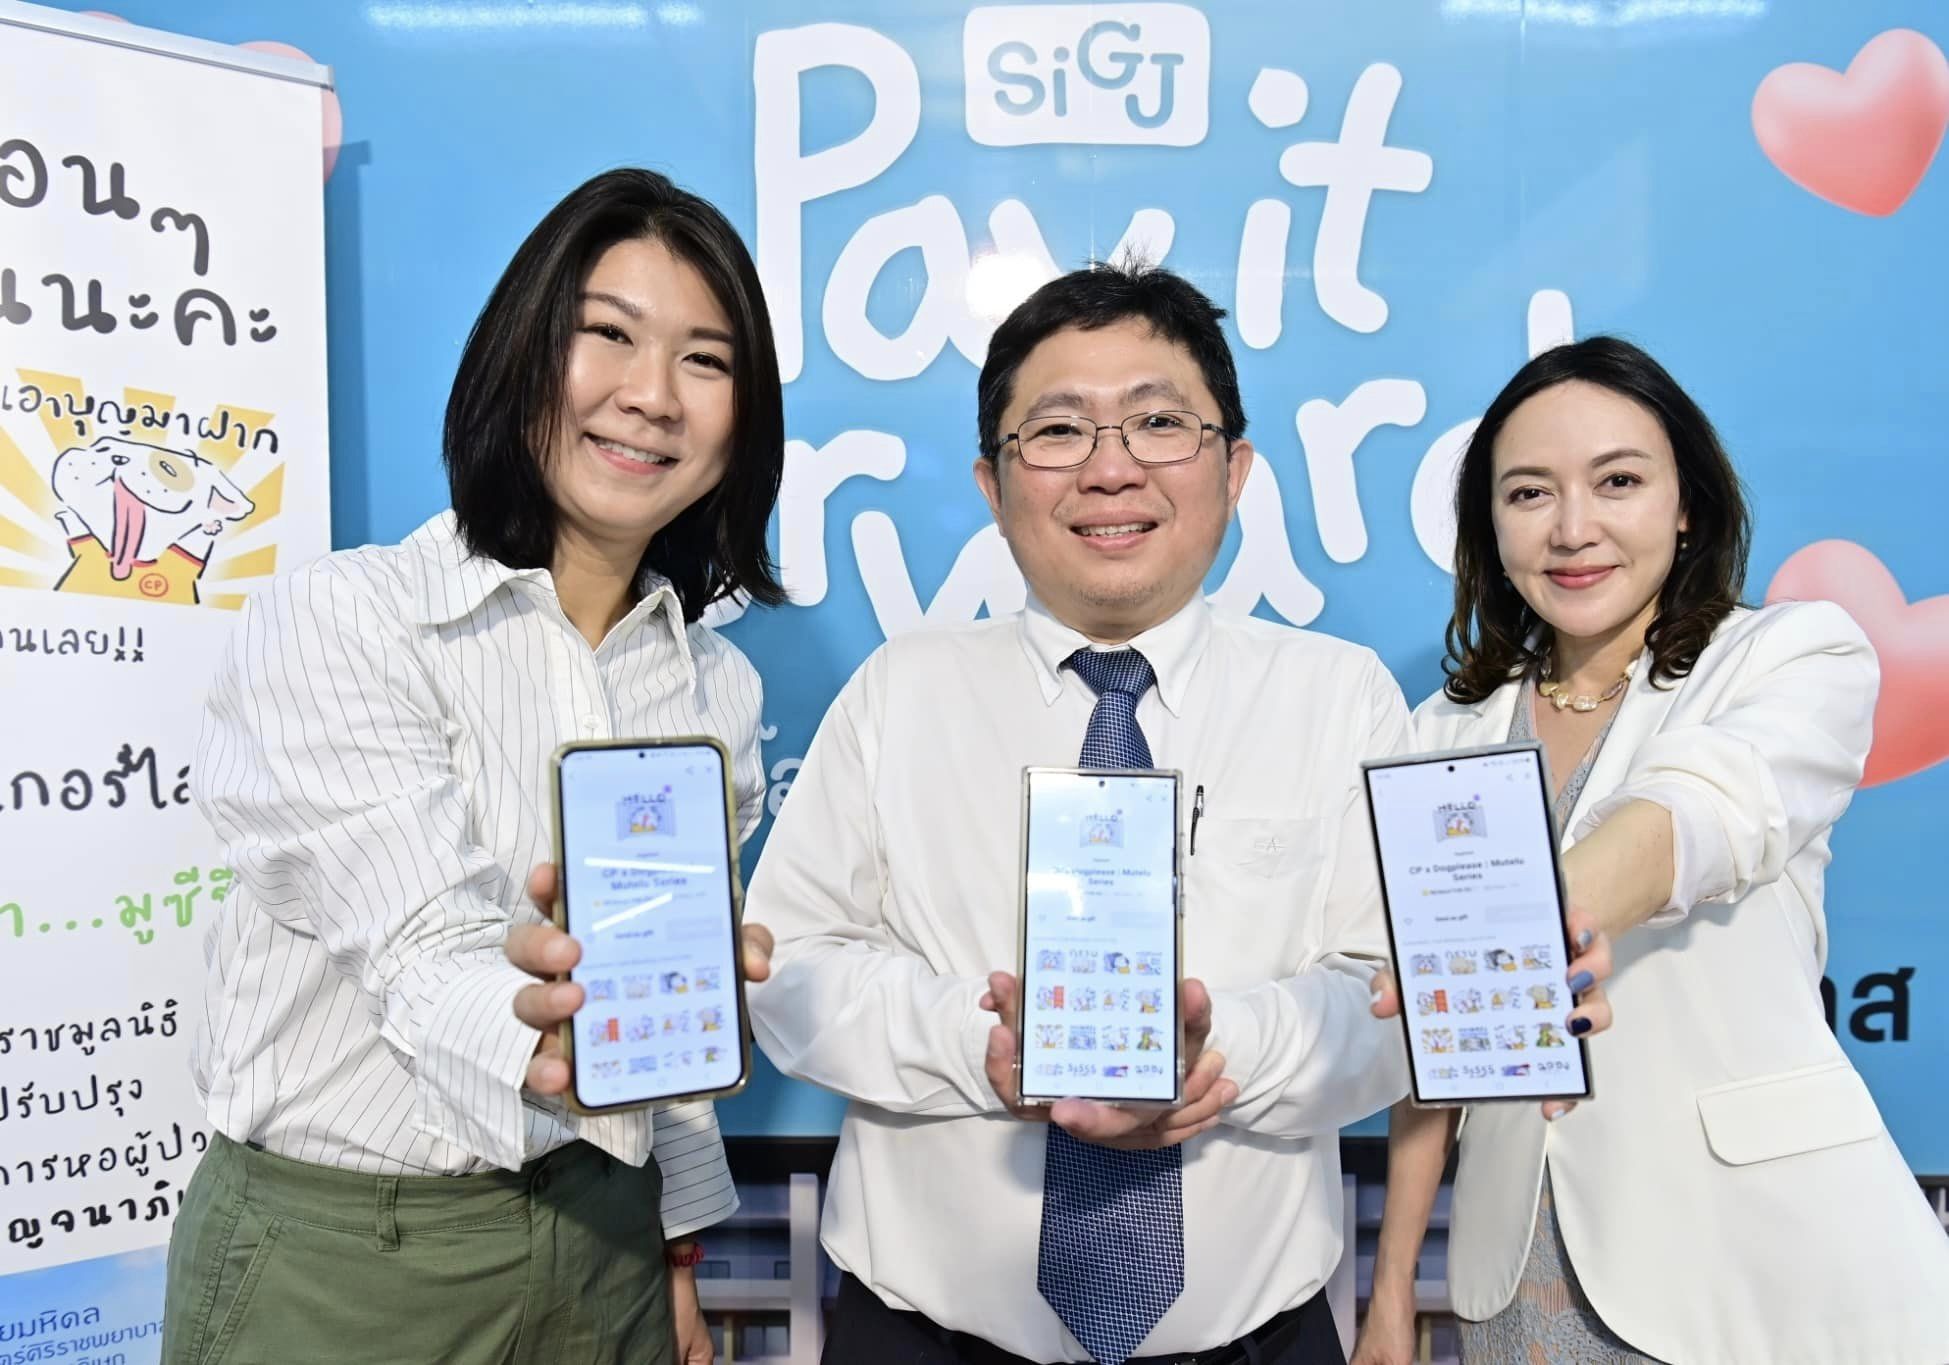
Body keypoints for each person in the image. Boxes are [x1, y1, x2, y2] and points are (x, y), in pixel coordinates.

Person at [736, 259, 1602, 1365]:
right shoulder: (900, 692)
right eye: (1057, 432)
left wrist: (1211, 1054)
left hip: (1257, 1341)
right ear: (992, 485)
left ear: (1233, 470)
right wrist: (985, 1045)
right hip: (917, 1336)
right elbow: (791, 972)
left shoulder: (1337, 698)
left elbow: (1392, 1003)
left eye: (1157, 423)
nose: (1110, 470)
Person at [164, 168, 786, 1365]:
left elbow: (667, 1057)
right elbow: (418, 946)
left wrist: (673, 1249)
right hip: (347, 1261)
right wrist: (540, 1038)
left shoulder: (719, 688)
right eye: (609, 335)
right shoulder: (343, 618)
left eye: (705, 361)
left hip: (608, 1237)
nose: (651, 396)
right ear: (523, 351)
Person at [1350, 337, 1949, 1365]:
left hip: (1752, 1262)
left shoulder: (1787, 654)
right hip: (1515, 1270)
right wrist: (1393, 1287)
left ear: (1685, 506)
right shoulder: (1442, 730)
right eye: (1527, 493)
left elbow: (1703, 810)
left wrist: (1541, 916)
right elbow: (1431, 1052)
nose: (1571, 528)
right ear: (1488, 527)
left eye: (1617, 481)